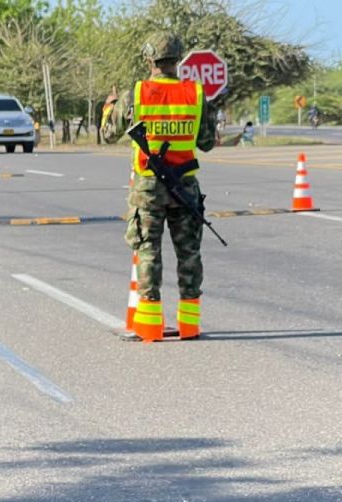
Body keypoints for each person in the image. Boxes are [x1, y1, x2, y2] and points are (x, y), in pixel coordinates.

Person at [100, 32, 217, 343]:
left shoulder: (136, 93)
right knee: (189, 253)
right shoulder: (195, 93)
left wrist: (108, 107)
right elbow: (206, 143)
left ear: (149, 59)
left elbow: (108, 135)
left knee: (148, 250)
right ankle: (189, 326)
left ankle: (150, 327)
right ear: (177, 59)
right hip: (185, 185)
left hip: (149, 187)